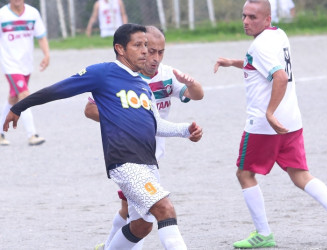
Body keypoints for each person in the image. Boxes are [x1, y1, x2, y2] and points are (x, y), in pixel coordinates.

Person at [3, 23, 203, 250]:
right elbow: (58, 89)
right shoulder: (103, 72)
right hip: (125, 161)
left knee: (141, 225)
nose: (145, 51)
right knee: (164, 208)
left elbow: (155, 124)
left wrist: (185, 130)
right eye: (138, 45)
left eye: (146, 45)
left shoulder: (142, 85)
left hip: (148, 163)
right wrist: (20, 106)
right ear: (120, 49)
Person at [214, 0, 327, 249]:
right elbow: (263, 65)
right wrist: (235, 62)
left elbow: (279, 76)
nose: (246, 21)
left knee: (245, 174)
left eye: (253, 17)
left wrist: (269, 112)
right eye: (244, 15)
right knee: (300, 174)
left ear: (267, 19)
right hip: (291, 121)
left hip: (264, 125)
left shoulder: (260, 45)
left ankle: (264, 234)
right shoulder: (278, 34)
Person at [86, 25, 204, 250]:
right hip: (129, 156)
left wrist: (192, 84)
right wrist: (126, 116)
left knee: (135, 215)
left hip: (152, 158)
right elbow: (90, 110)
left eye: (161, 52)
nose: (155, 58)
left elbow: (197, 95)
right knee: (149, 214)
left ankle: (110, 245)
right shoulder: (119, 76)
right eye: (150, 51)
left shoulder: (167, 75)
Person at [0, 0, 49, 146]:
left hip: (26, 65)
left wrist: (46, 55)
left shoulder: (32, 13)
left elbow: (41, 36)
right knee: (24, 95)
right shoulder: (2, 15)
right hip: (9, 64)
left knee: (14, 97)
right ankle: (32, 134)